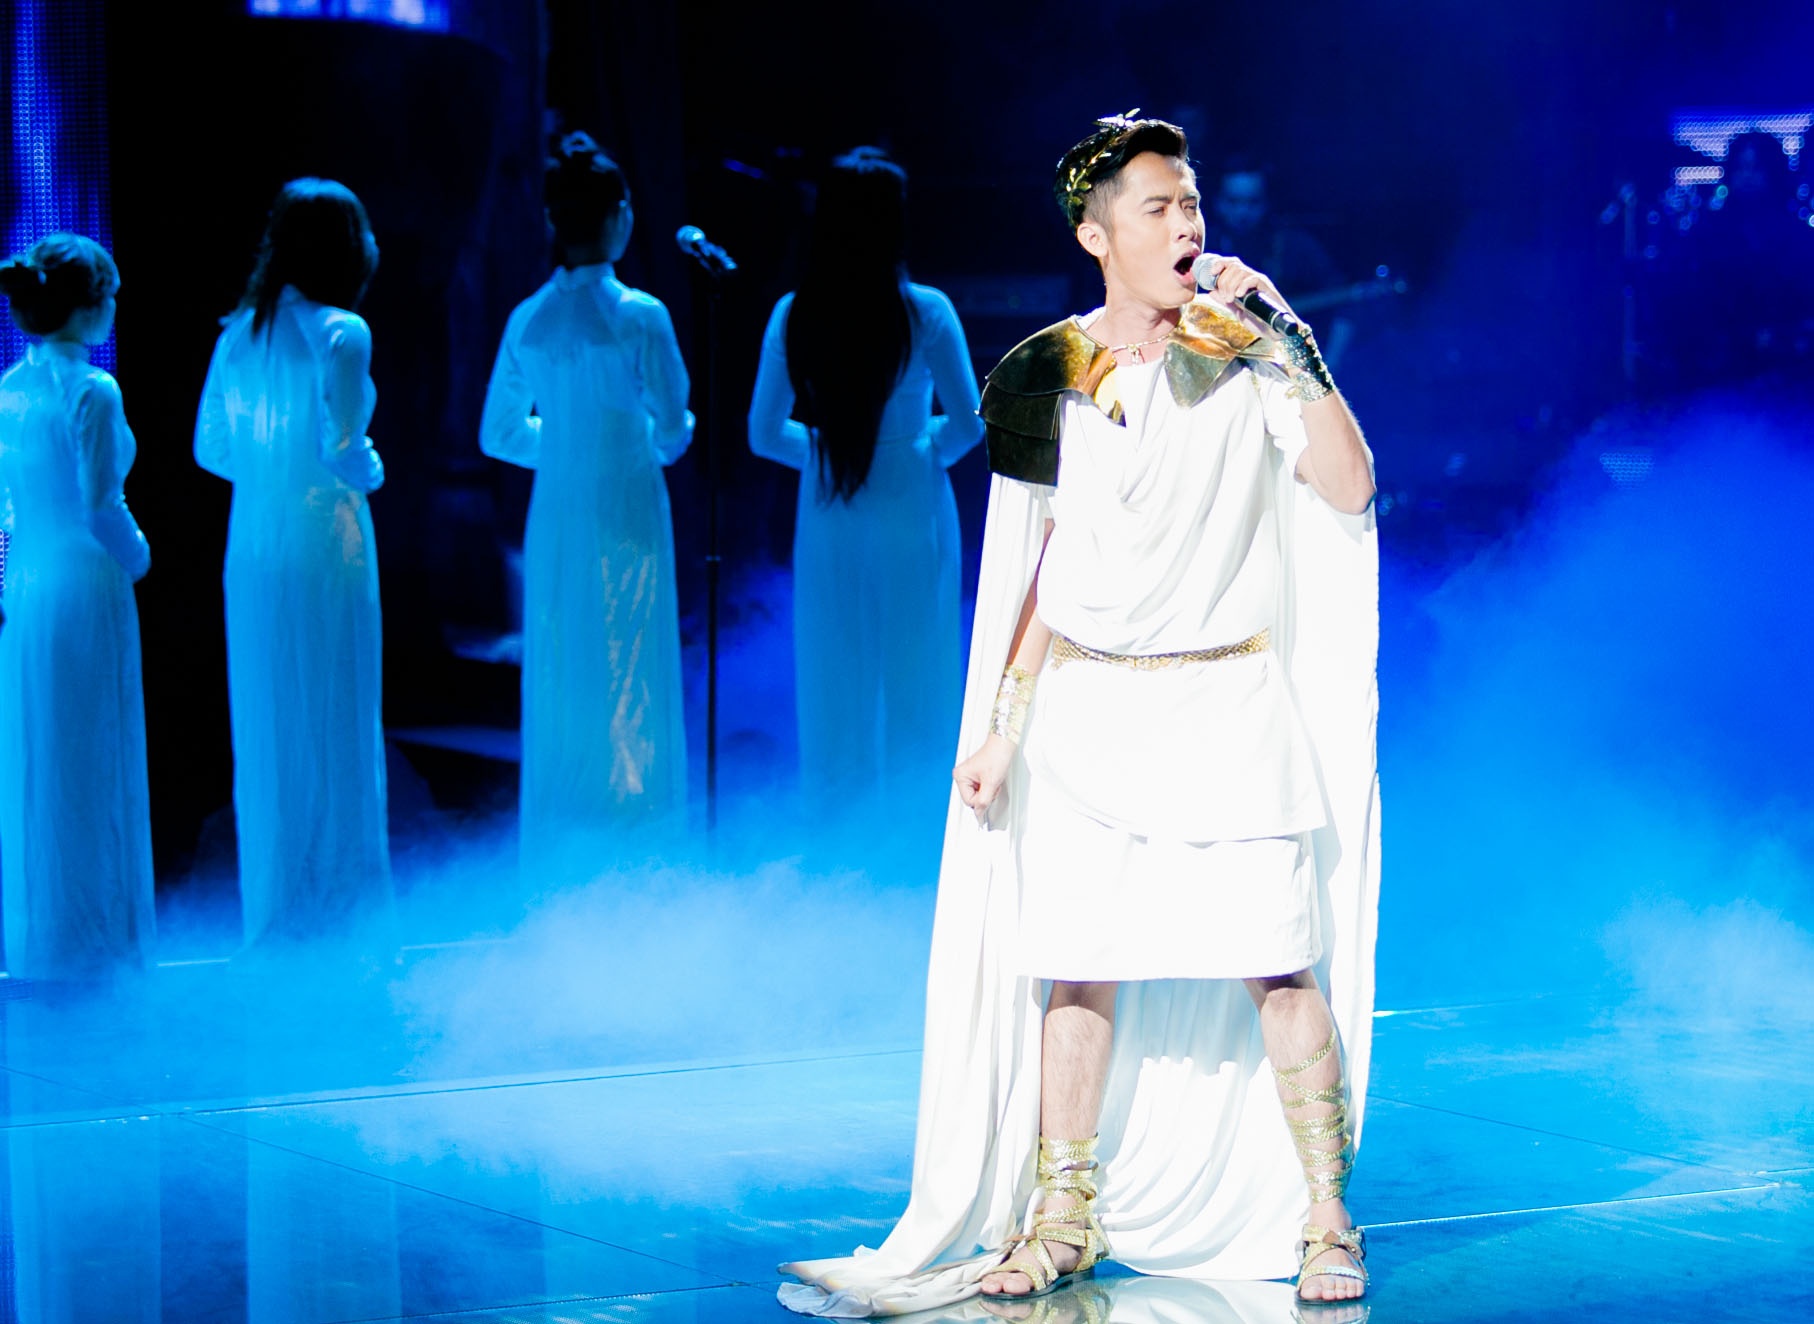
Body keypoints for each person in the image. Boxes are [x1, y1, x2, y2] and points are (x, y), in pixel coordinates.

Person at [779, 114, 1381, 1315]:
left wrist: (1295, 346)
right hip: (1091, 715)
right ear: (1095, 234)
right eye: (1158, 206)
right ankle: (1062, 1215)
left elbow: (1347, 485)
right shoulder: (1041, 372)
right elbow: (1039, 564)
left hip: (1224, 704)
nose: (1186, 224)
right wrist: (1003, 723)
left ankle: (1323, 1212)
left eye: (1190, 203)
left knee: (1277, 962)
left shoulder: (1246, 355)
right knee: (1077, 976)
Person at [481, 132, 693, 870]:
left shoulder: (527, 319)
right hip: (627, 500)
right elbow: (673, 427)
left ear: (554, 221)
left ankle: (567, 832)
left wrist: (567, 441)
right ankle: (635, 833)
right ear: (619, 216)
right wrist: (624, 441)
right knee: (629, 651)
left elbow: (498, 432)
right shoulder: (641, 314)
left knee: (563, 652)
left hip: (558, 508)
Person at [747, 147, 984, 809]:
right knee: (918, 668)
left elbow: (763, 434)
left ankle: (837, 834)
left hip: (831, 509)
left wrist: (828, 451)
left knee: (835, 669)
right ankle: (917, 832)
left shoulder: (795, 312)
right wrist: (916, 448)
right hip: (913, 503)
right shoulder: (926, 310)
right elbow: (970, 424)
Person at [195, 178, 392, 947]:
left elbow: (209, 448)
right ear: (349, 247)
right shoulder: (344, 332)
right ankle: (344, 921)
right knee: (338, 713)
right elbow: (343, 451)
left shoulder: (236, 336)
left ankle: (279, 916)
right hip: (327, 540)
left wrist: (267, 468)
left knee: (269, 721)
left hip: (253, 544)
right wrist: (372, 467)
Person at [0, 234, 156, 980]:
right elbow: (101, 505)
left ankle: (46, 938)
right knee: (93, 751)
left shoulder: (9, 389)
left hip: (29, 585)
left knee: (41, 751)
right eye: (111, 294)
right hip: (86, 585)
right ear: (90, 304)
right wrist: (139, 557)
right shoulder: (93, 389)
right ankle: (97, 945)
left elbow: (8, 506)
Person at [1209, 156, 1354, 370]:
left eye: (1252, 202)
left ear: (1266, 203)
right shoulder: (1202, 246)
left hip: (1282, 370)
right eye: (1233, 202)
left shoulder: (1295, 246)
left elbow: (1347, 302)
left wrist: (1330, 364)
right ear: (1218, 203)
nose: (1242, 213)